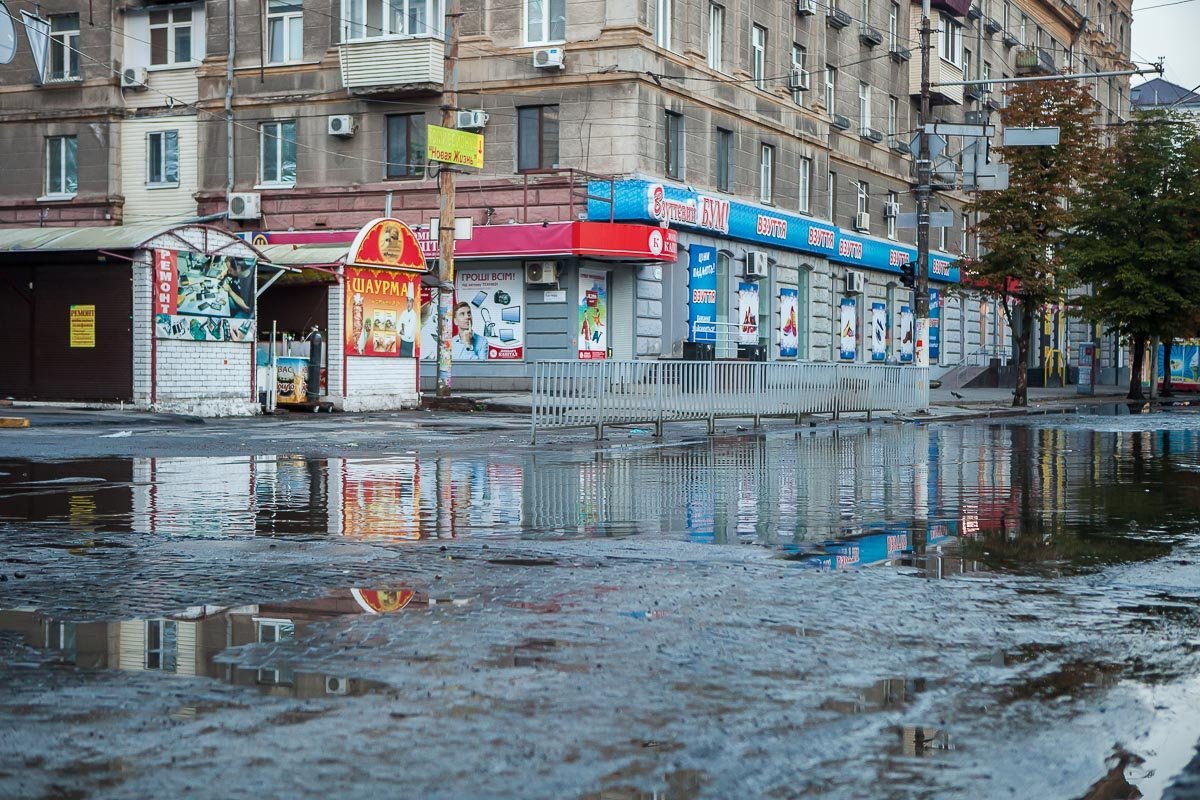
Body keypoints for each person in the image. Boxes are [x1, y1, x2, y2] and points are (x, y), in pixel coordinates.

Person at [398, 292, 418, 358]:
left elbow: (411, 330)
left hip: (409, 342)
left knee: (408, 359)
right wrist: (400, 331)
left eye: (410, 302)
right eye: (408, 302)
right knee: (401, 360)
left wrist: (404, 332)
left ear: (412, 303)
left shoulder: (414, 315)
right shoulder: (404, 313)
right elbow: (399, 323)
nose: (409, 304)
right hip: (403, 341)